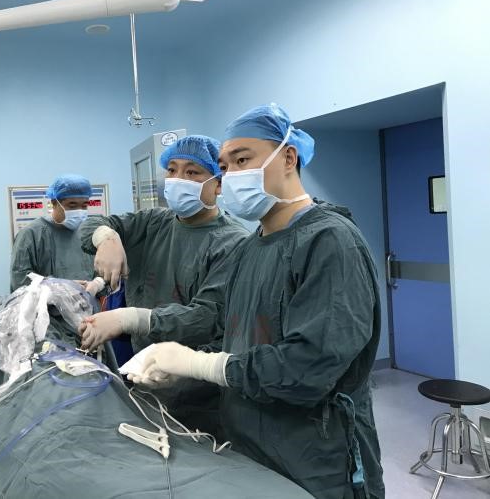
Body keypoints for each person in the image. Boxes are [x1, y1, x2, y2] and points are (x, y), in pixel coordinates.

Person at [130, 104, 385, 499]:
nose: (232, 174)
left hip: (316, 456)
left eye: (242, 160)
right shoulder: (251, 248)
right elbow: (238, 339)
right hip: (248, 442)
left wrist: (204, 365)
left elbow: (310, 366)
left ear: (288, 157)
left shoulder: (330, 242)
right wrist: (184, 366)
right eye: (225, 166)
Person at [77, 135, 248, 354]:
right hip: (141, 358)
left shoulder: (233, 242)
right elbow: (92, 225)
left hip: (191, 367)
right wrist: (105, 237)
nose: (178, 179)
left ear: (219, 184)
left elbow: (207, 317)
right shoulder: (154, 221)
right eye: (172, 170)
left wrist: (130, 319)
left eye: (192, 172)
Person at [10, 174, 95, 292]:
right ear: (54, 203)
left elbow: (99, 271)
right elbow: (20, 281)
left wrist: (98, 283)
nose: (79, 211)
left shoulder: (87, 233)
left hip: (87, 301)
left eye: (84, 205)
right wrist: (60, 287)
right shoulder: (31, 234)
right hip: (48, 303)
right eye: (72, 205)